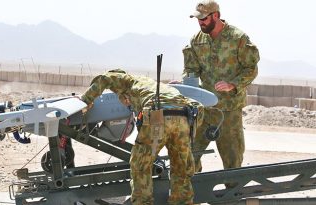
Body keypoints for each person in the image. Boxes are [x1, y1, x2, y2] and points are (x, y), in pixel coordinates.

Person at [80, 69, 203, 205]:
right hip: (184, 116)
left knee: (141, 165)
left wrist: (86, 100)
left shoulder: (126, 80)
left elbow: (104, 78)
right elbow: (199, 107)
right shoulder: (151, 85)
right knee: (181, 166)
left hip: (158, 115)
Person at [184, 0, 260, 173]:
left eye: (204, 18)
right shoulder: (197, 40)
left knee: (232, 160)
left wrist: (233, 84)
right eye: (198, 19)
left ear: (216, 16)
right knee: (188, 153)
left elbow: (251, 68)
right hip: (204, 109)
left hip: (229, 111)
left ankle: (231, 197)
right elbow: (191, 70)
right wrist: (185, 84)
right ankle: (194, 190)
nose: (200, 22)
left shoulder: (238, 38)